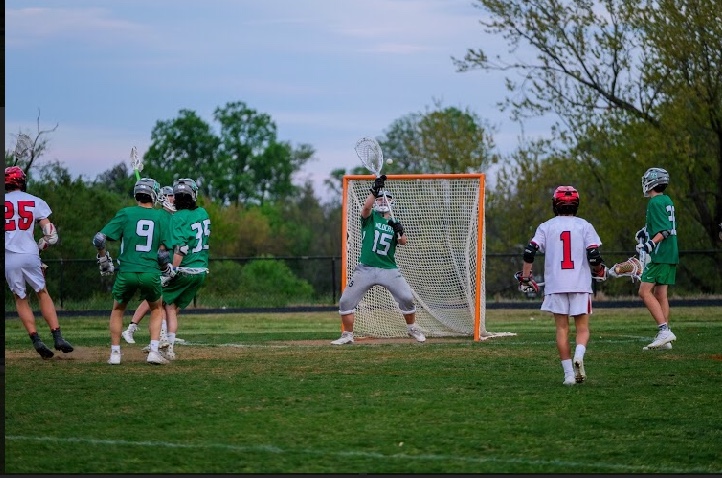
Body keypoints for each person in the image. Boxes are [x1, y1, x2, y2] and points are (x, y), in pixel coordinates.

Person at [516, 186, 607, 385]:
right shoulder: (585, 226)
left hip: (556, 284)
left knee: (561, 329)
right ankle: (579, 356)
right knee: (582, 329)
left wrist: (525, 276)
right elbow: (594, 256)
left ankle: (568, 375)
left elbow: (529, 252)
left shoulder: (546, 226)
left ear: (555, 204)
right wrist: (600, 270)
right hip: (580, 284)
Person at [332, 175, 426, 345]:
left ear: (392, 202)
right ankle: (347, 335)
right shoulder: (370, 218)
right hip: (366, 268)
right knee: (345, 301)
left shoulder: (393, 222)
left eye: (386, 199)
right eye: (380, 199)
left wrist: (400, 231)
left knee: (406, 298)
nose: (383, 201)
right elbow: (366, 209)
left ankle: (412, 328)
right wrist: (374, 191)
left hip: (388, 268)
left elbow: (403, 242)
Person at [92, 177, 172, 365]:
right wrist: (165, 269)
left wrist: (103, 260)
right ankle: (153, 351)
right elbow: (162, 255)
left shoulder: (126, 213)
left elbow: (99, 239)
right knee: (156, 308)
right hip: (150, 272)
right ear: (154, 194)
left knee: (118, 309)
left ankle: (115, 354)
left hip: (126, 271)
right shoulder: (162, 216)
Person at [5, 166, 74, 359]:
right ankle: (57, 336)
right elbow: (50, 234)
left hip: (8, 256)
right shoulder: (35, 202)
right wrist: (42, 245)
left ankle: (36, 340)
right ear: (22, 181)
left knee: (20, 298)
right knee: (41, 292)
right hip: (29, 253)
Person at [160, 178, 211, 360]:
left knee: (160, 302)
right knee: (172, 307)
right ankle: (169, 348)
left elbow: (181, 249)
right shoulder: (203, 213)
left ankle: (162, 342)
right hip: (201, 271)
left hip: (185, 269)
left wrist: (172, 270)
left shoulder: (177, 218)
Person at [122, 185, 179, 347]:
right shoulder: (159, 215)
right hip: (155, 263)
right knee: (156, 300)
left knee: (165, 301)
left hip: (163, 262)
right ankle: (144, 332)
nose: (172, 199)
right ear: (161, 197)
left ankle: (164, 332)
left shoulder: (168, 214)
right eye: (169, 196)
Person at [635, 167, 679, 351]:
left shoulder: (654, 203)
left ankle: (664, 330)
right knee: (661, 294)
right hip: (671, 252)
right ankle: (665, 339)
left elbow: (664, 231)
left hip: (661, 254)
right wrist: (644, 232)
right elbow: (663, 225)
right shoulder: (666, 200)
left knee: (644, 292)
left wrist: (650, 244)